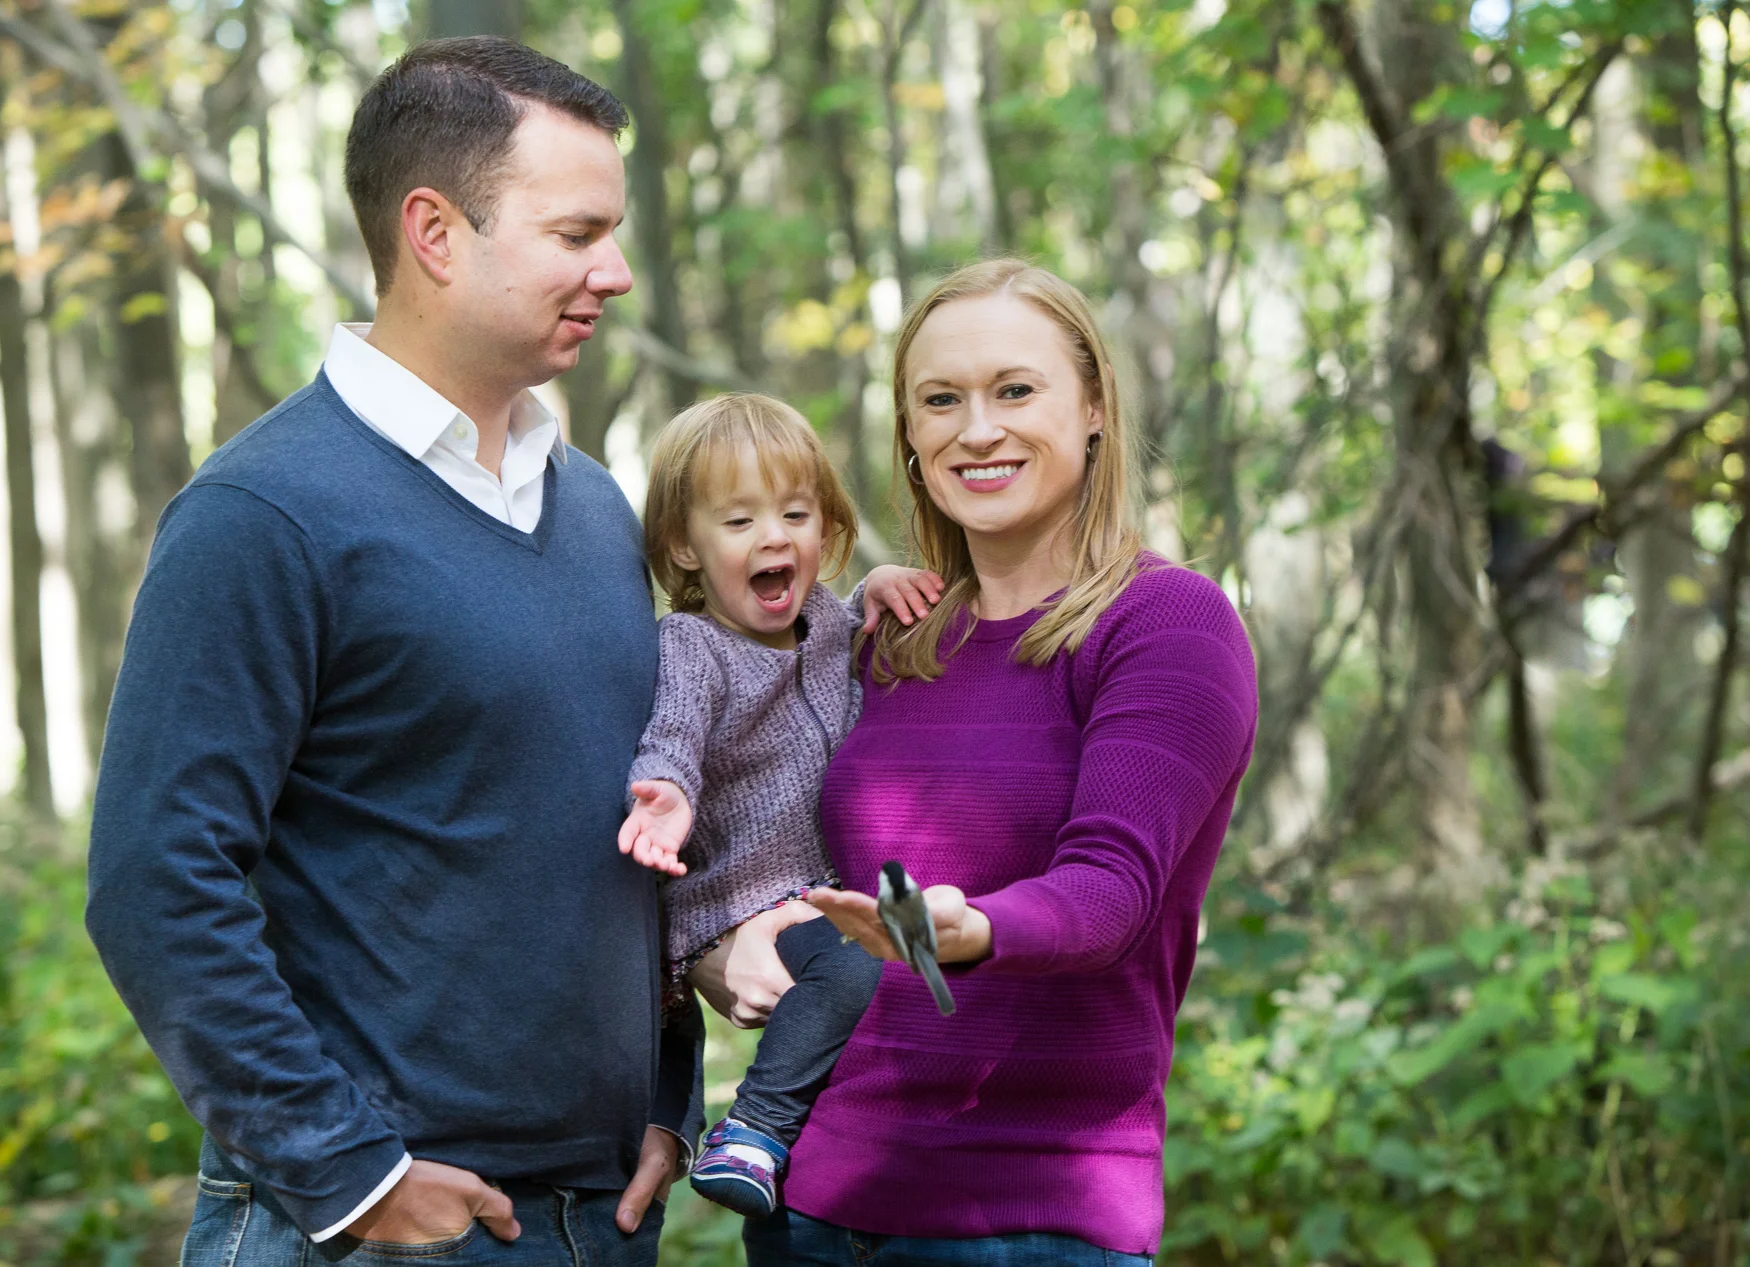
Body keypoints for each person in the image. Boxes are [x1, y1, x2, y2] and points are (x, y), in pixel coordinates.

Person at [87, 37, 697, 1266]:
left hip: (599, 1217)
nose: (615, 272)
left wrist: (666, 1097)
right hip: (377, 1226)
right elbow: (156, 882)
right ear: (434, 232)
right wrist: (348, 1173)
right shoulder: (262, 514)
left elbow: (634, 822)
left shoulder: (595, 509)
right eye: (576, 234)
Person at [736, 259, 1261, 1265]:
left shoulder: (1165, 623)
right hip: (812, 1208)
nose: (976, 429)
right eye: (941, 400)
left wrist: (971, 927)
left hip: (1030, 1214)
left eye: (1015, 390)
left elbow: (1111, 891)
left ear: (1095, 407)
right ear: (909, 431)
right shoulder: (894, 638)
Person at [616, 394, 942, 1219]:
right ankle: (755, 1126)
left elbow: (848, 621)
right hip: (740, 899)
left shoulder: (825, 619)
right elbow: (673, 732)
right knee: (859, 959)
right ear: (684, 545)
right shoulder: (694, 644)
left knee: (917, 937)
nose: (774, 536)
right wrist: (667, 794)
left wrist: (879, 584)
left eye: (796, 514)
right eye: (739, 521)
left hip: (821, 889)